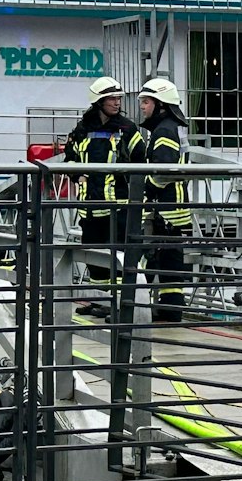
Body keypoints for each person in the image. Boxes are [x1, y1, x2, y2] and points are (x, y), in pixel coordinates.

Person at [67, 76, 140, 318]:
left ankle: (118, 307)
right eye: (112, 98)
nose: (117, 102)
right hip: (88, 208)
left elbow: (141, 163)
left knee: (117, 258)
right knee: (94, 258)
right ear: (98, 101)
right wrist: (77, 177)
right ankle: (100, 302)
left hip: (116, 207)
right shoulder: (81, 129)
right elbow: (69, 160)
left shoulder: (127, 129)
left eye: (118, 98)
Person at [135, 77, 194, 321]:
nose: (142, 106)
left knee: (144, 260)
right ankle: (171, 311)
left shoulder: (164, 130)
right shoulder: (172, 127)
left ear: (161, 105)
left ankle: (133, 310)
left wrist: (143, 184)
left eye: (146, 102)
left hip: (164, 208)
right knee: (170, 264)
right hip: (174, 208)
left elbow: (163, 170)